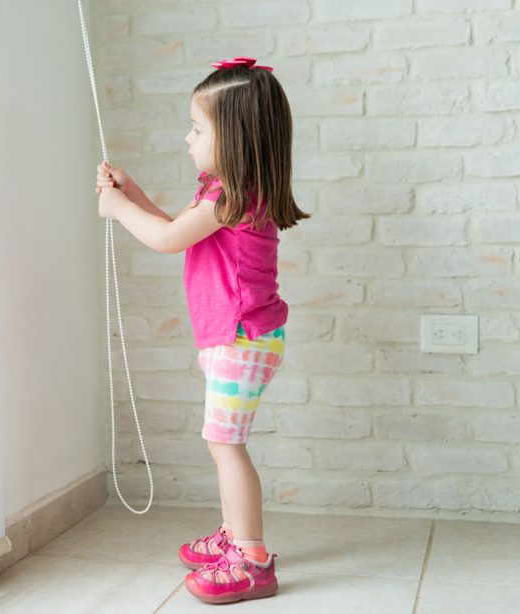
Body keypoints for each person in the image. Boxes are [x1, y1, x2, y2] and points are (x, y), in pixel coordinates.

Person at [95, 56, 310, 604]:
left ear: (233, 137)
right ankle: (237, 537)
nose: (186, 138)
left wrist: (119, 210)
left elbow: (165, 242)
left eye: (196, 128)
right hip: (237, 337)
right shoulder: (225, 192)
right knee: (222, 441)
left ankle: (252, 556)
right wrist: (135, 194)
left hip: (242, 338)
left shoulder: (231, 197)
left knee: (225, 443)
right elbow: (176, 230)